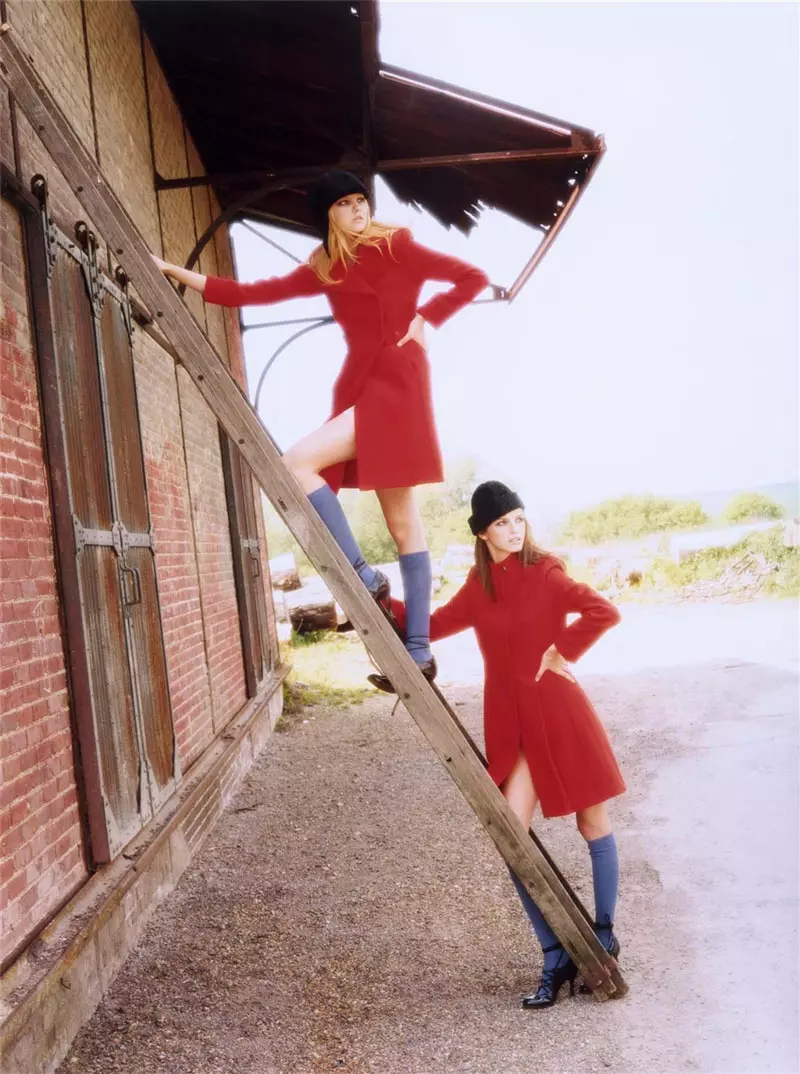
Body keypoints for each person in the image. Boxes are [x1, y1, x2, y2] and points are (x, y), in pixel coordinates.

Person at [153, 171, 489, 685]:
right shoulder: (325, 268)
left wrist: (427, 318)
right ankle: (418, 652)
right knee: (404, 527)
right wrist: (174, 272)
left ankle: (363, 577)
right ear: (328, 214)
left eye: (362, 200)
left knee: (296, 463)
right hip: (360, 387)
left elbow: (471, 277)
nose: (358, 209)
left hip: (397, 384)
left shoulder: (399, 247)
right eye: (346, 203)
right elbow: (249, 293)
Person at [381, 480, 626, 1009]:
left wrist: (563, 651)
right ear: (482, 533)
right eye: (502, 523)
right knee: (510, 839)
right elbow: (433, 623)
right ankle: (554, 954)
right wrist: (380, 600)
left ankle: (604, 934)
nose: (514, 530)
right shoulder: (480, 584)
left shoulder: (548, 571)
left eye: (518, 518)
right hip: (514, 730)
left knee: (592, 825)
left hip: (560, 717)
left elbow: (603, 611)